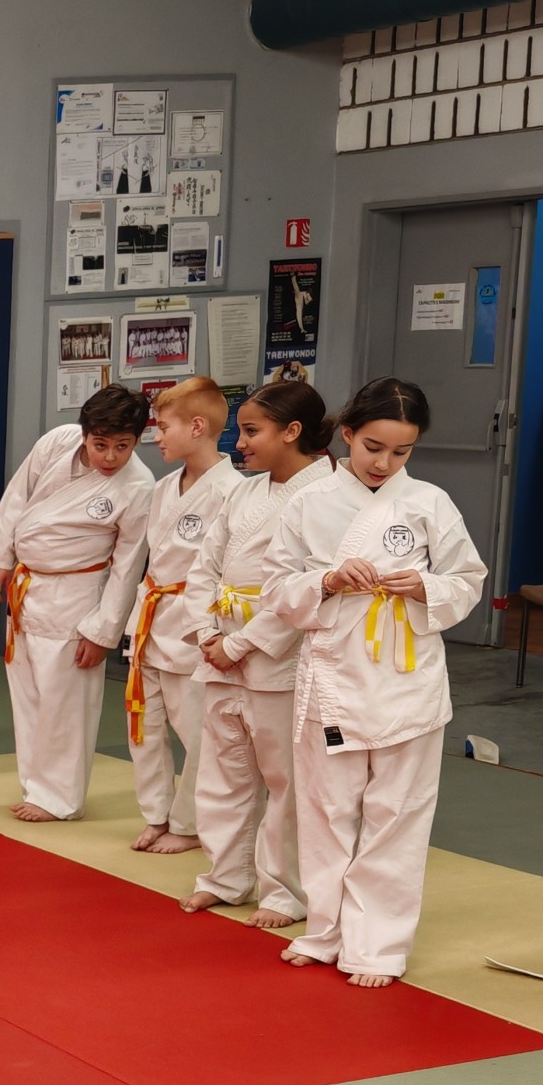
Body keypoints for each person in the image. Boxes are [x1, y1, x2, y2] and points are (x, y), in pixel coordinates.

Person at [272, 377, 487, 986]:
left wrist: (425, 586)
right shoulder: (309, 502)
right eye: (372, 447)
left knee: (398, 814)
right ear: (346, 434)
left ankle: (379, 946)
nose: (384, 463)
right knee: (326, 810)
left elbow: (467, 579)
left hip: (407, 677)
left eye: (401, 451)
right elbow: (277, 589)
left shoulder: (430, 503)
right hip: (334, 676)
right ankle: (326, 930)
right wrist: (327, 581)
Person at [181, 379, 334, 928]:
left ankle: (285, 890)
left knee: (284, 778)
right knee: (221, 770)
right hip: (220, 643)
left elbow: (310, 587)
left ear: (292, 431)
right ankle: (225, 875)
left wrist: (241, 643)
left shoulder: (327, 495)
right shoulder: (244, 492)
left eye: (251, 431)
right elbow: (204, 567)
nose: (239, 443)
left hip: (278, 652)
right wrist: (206, 633)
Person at [0, 384, 154, 824]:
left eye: (122, 446)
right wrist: (0, 558)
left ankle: (59, 798)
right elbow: (17, 496)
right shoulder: (57, 442)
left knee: (67, 703)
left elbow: (128, 567)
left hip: (79, 597)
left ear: (138, 439)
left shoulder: (139, 486)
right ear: (84, 434)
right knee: (29, 696)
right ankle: (35, 787)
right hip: (29, 587)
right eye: (100, 444)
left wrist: (103, 632)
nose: (110, 456)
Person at [122, 377, 241, 854]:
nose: (156, 437)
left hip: (193, 624)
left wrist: (212, 630)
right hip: (151, 617)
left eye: (163, 426)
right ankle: (156, 814)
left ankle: (188, 824)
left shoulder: (233, 491)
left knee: (197, 732)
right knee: (144, 726)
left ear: (197, 427)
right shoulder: (163, 487)